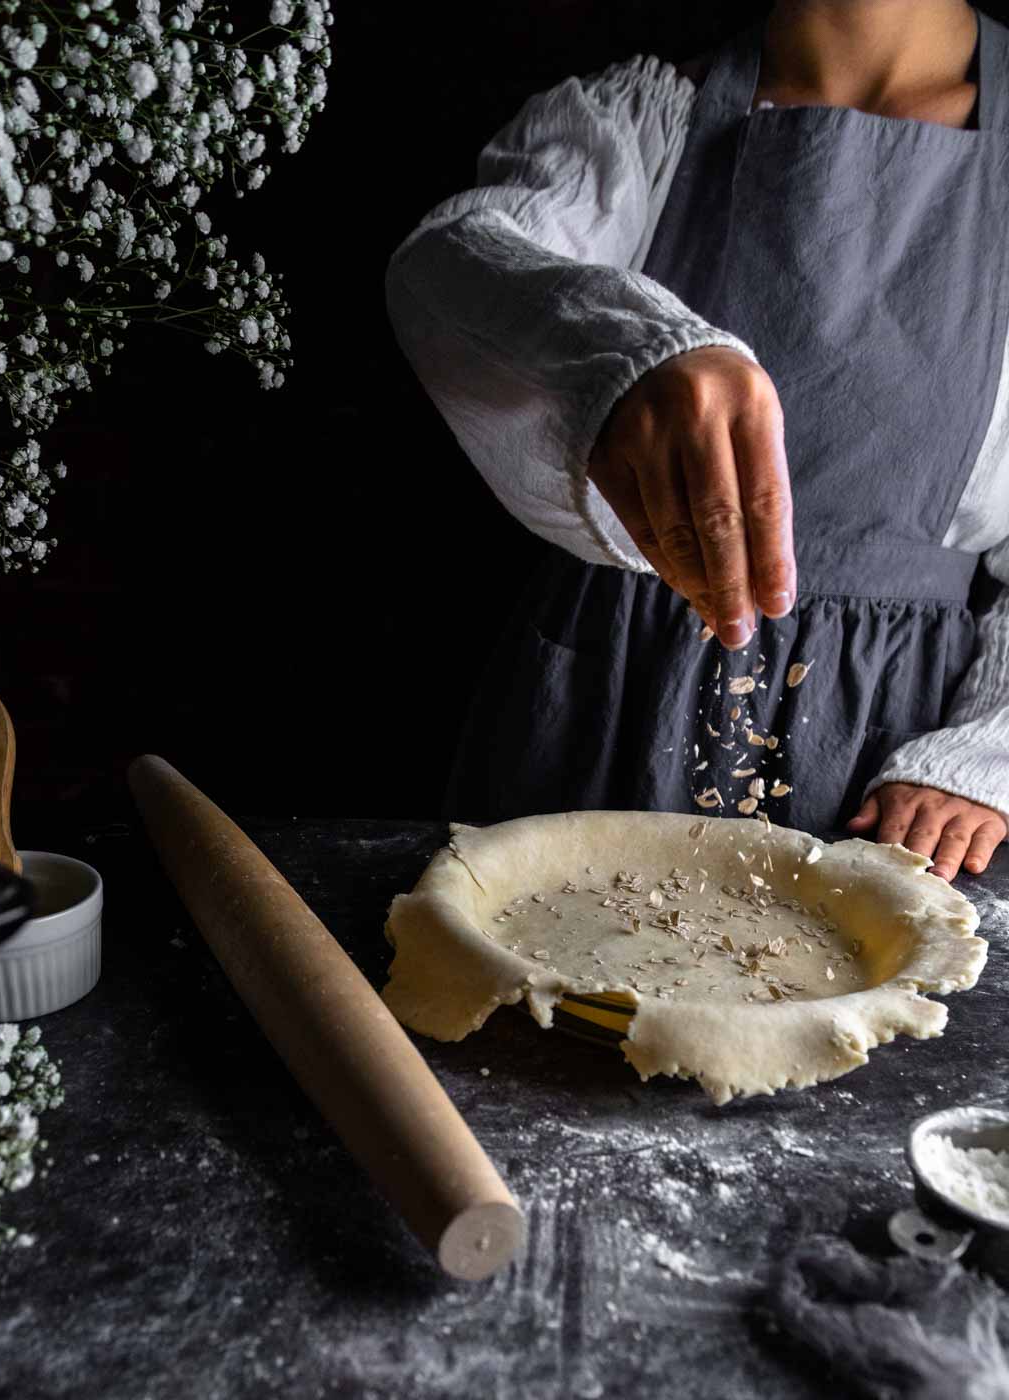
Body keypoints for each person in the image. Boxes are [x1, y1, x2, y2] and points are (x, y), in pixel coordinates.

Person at [385, 0, 1009, 882]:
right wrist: (626, 350)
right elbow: (452, 259)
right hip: (608, 709)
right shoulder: (643, 121)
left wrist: (982, 760)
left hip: (890, 767)